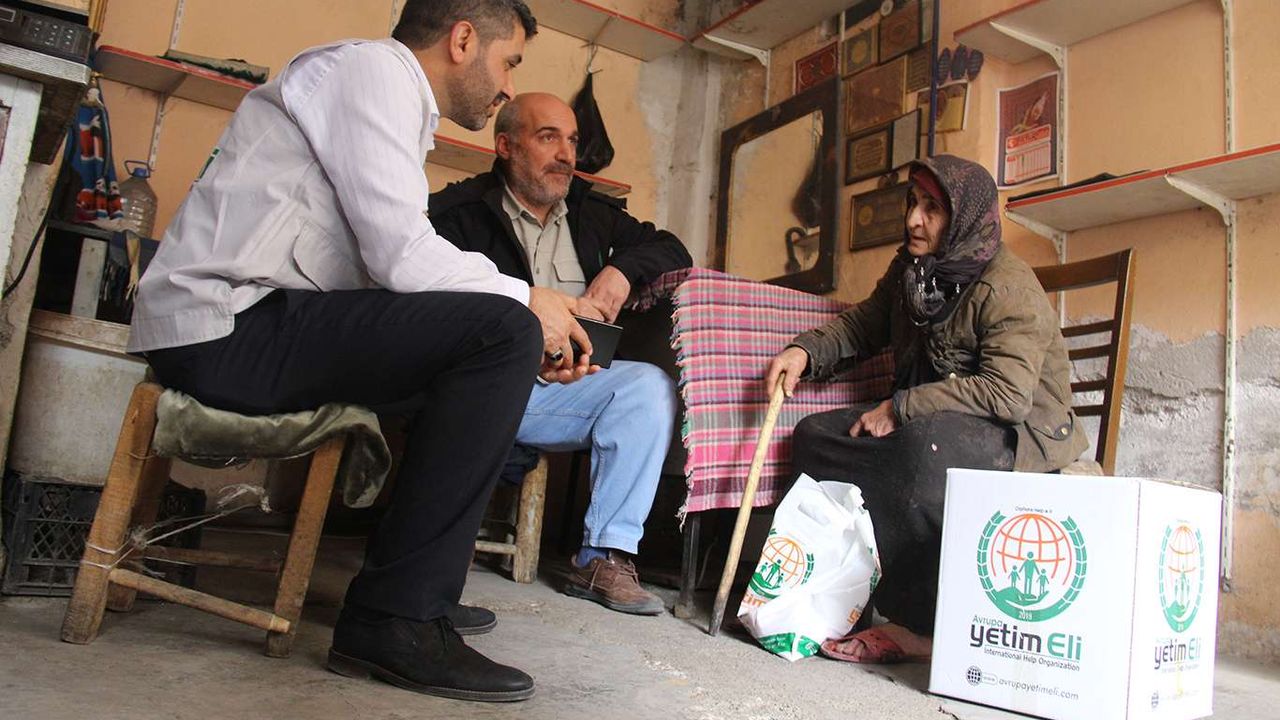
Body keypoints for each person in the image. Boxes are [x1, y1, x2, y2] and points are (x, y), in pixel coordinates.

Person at [125, 0, 594, 703]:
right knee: (503, 331)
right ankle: (395, 620)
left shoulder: (386, 95)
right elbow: (403, 256)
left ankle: (411, 586)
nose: (506, 86)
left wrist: (526, 327)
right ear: (463, 39)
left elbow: (387, 275)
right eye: (508, 63)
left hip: (253, 322)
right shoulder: (374, 74)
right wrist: (529, 300)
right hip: (223, 327)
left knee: (485, 351)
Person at [764, 155, 1087, 664]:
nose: (914, 219)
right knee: (814, 436)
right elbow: (865, 324)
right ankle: (830, 600)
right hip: (934, 419)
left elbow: (1007, 395)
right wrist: (805, 351)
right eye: (913, 203)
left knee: (919, 454)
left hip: (1019, 433)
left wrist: (901, 407)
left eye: (932, 209)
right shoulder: (912, 271)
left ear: (965, 218)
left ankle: (918, 626)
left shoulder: (1007, 287)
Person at [429, 92, 692, 615]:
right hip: (486, 383)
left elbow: (672, 248)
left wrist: (621, 270)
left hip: (565, 388)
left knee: (649, 387)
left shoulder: (592, 212)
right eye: (548, 137)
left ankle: (603, 557)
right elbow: (427, 294)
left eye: (571, 140)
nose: (567, 154)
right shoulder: (458, 213)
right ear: (506, 146)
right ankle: (433, 551)